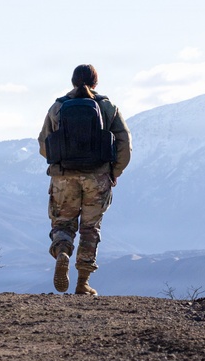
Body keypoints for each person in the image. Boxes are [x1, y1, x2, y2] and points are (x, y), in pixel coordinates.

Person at [38, 64, 132, 295]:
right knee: (90, 228)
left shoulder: (57, 107)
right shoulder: (108, 107)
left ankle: (63, 252)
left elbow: (44, 144)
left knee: (63, 224)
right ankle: (83, 283)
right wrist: (114, 172)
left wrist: (60, 164)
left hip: (63, 177)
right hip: (97, 177)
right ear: (95, 82)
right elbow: (125, 145)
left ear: (72, 81)